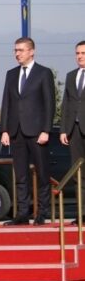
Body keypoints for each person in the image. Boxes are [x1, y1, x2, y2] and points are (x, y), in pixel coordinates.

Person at [0, 37, 56, 226]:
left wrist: (46, 130)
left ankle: (42, 212)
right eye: (15, 50)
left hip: (37, 132)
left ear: (32, 51)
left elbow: (50, 104)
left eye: (21, 50)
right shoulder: (11, 74)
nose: (17, 54)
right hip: (16, 132)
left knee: (42, 173)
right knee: (21, 175)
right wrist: (5, 130)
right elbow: (6, 103)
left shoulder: (43, 73)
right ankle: (22, 213)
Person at [60, 41, 85, 225]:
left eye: (83, 53)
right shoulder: (71, 76)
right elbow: (66, 104)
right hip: (74, 131)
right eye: (77, 53)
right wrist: (63, 130)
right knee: (78, 174)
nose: (79, 56)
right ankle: (81, 214)